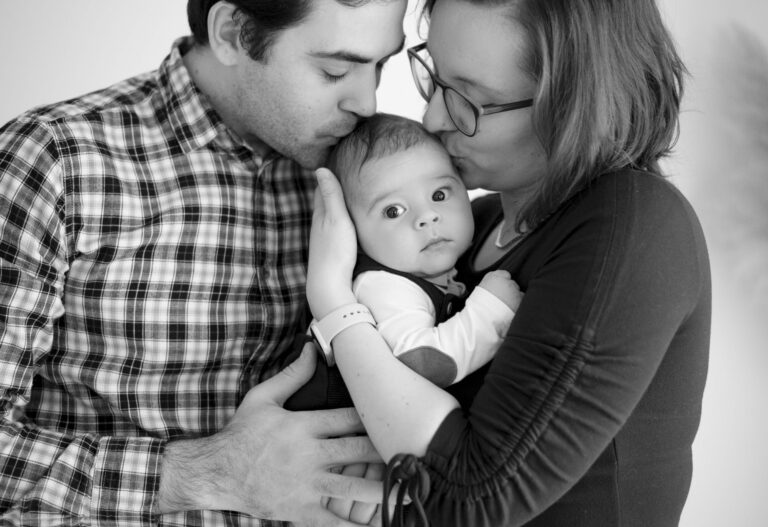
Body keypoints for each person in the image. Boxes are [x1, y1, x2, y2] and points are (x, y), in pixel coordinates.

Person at [0, 1, 407, 526]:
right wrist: (208, 473)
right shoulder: (54, 159)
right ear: (233, 33)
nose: (367, 102)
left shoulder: (365, 172)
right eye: (334, 70)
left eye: (382, 64)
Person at [306, 0, 711, 525]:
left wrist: (333, 302)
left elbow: (471, 500)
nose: (432, 119)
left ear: (573, 105)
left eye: (469, 99)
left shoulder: (632, 223)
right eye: (434, 78)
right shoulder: (469, 228)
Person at [287, 113, 521, 411]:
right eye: (393, 211)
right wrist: (491, 312)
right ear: (351, 231)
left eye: (439, 194)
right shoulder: (383, 288)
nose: (427, 216)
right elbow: (425, 364)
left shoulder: (425, 270)